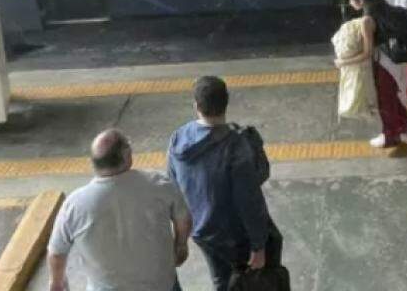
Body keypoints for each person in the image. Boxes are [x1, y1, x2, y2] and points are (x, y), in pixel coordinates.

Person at [167, 76, 283, 291]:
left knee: (221, 279)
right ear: (227, 102)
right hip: (233, 235)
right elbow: (249, 201)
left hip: (201, 230)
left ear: (196, 106)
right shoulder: (236, 146)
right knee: (248, 281)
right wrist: (258, 246)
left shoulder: (178, 139)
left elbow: (173, 186)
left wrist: (181, 233)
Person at [48, 129, 192, 291]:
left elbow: (56, 252)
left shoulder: (74, 205)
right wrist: (181, 245)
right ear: (127, 156)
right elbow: (183, 219)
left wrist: (57, 283)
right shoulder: (159, 184)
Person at [345, 0, 407, 149]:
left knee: (385, 101)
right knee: (392, 96)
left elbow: (367, 52)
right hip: (395, 58)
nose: (349, 4)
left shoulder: (367, 20)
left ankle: (391, 135)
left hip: (383, 63)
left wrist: (344, 61)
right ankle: (405, 122)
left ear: (359, 0)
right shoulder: (379, 3)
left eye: (350, 0)